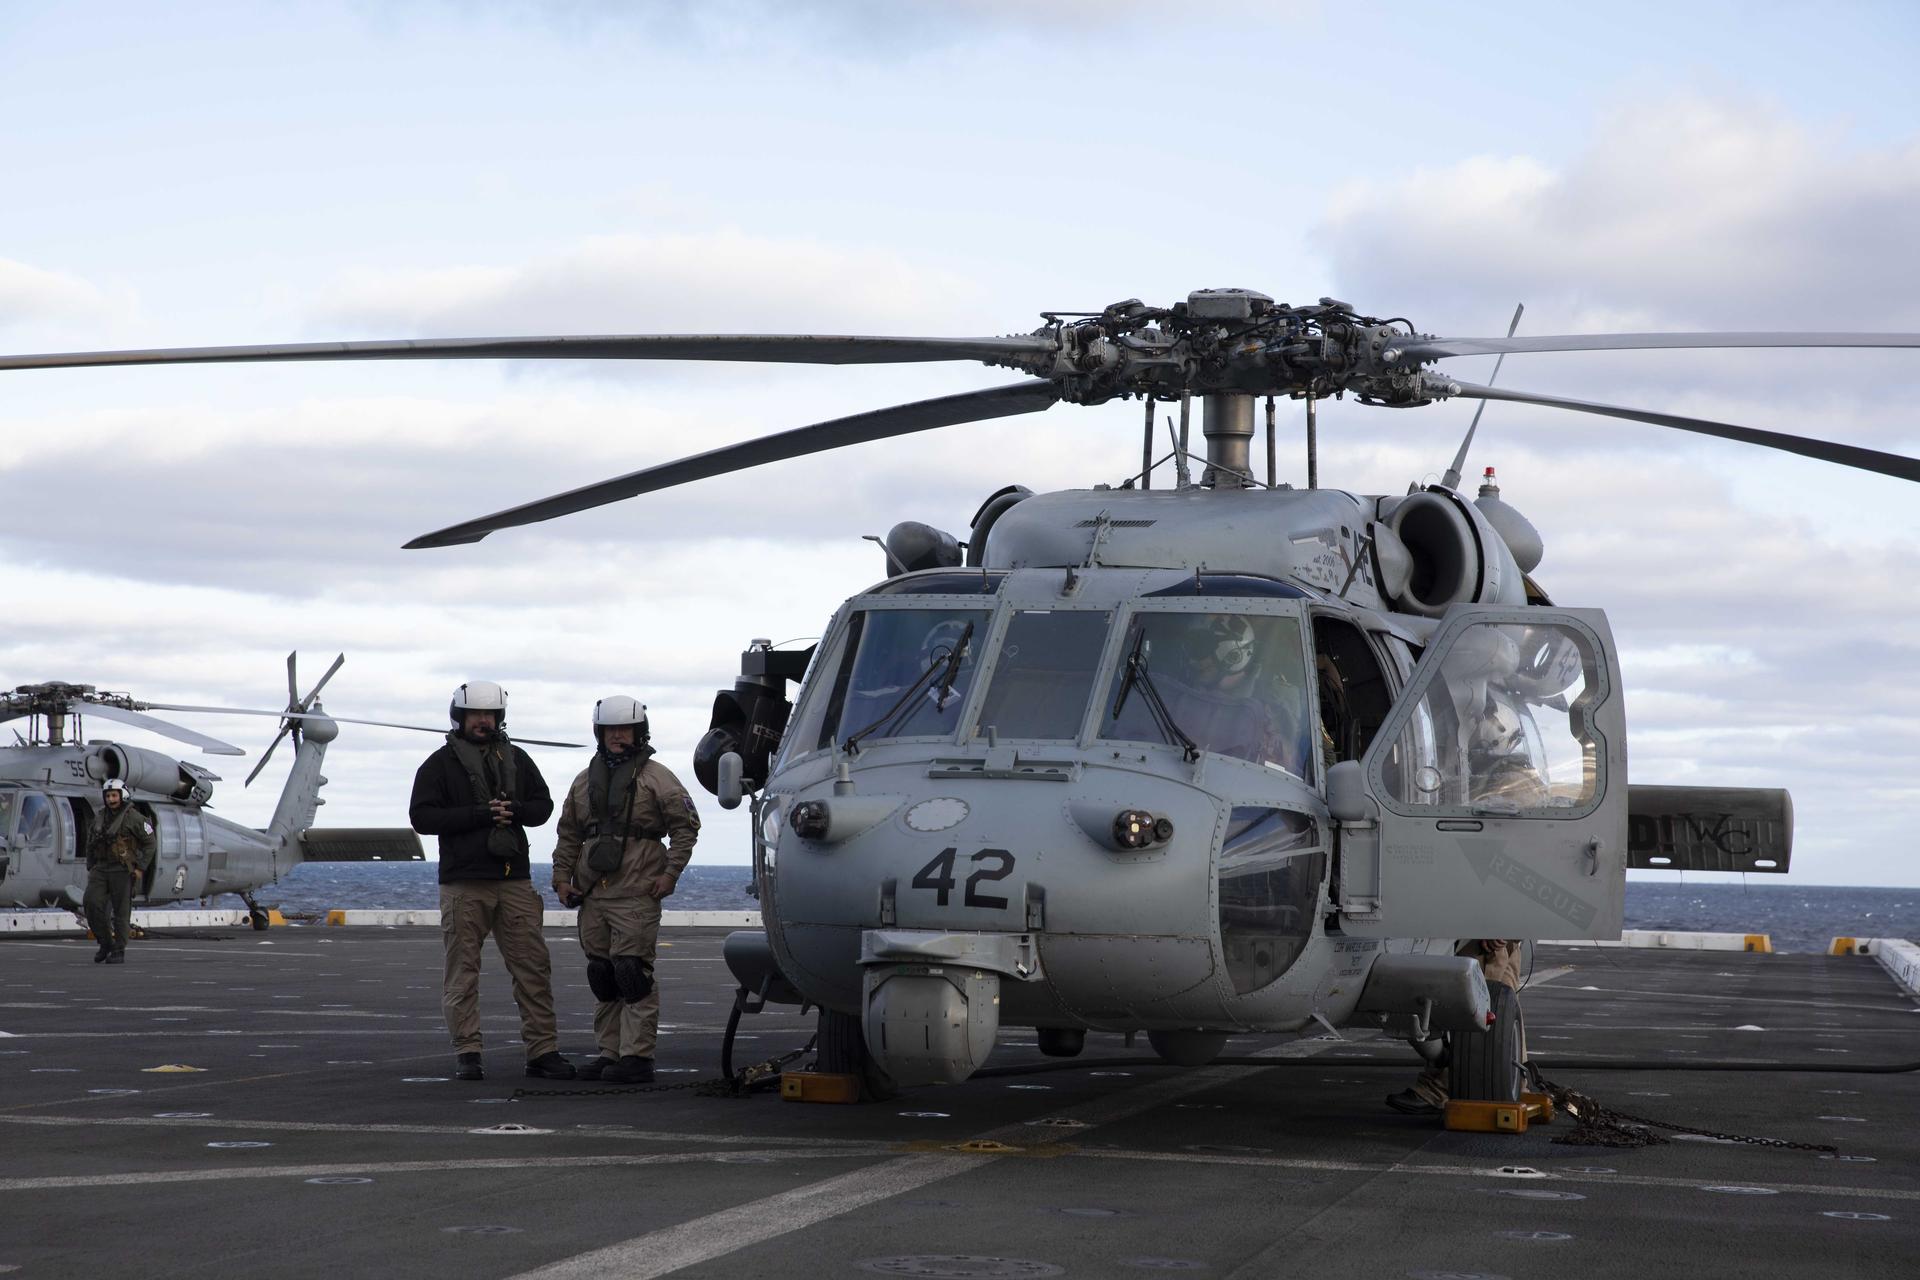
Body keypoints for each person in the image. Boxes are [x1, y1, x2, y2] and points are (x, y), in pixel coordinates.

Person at [409, 680, 572, 1082]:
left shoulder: (518, 758)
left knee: (533, 968)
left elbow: (543, 806)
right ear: (460, 717)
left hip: (513, 880)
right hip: (463, 883)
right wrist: (480, 814)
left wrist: (515, 810)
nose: (483, 721)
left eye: (489, 714)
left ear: (499, 717)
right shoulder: (438, 765)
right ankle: (468, 1052)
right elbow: (422, 817)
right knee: (462, 972)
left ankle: (542, 1051)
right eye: (475, 714)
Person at [552, 695, 700, 1084]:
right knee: (602, 975)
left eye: (625, 730)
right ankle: (609, 1052)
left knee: (632, 973)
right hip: (593, 894)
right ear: (599, 733)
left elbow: (686, 827)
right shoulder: (583, 782)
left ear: (639, 733)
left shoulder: (658, 778)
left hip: (637, 891)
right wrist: (561, 878)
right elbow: (568, 834)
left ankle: (637, 1056)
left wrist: (670, 875)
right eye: (610, 730)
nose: (618, 736)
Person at [83, 778, 155, 964]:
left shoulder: (135, 818)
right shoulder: (100, 817)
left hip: (122, 869)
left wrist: (140, 868)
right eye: (108, 796)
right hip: (101, 868)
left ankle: (119, 950)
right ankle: (105, 942)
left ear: (122, 796)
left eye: (114, 795)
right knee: (91, 902)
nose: (111, 799)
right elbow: (91, 842)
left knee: (121, 912)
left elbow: (150, 843)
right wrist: (91, 865)